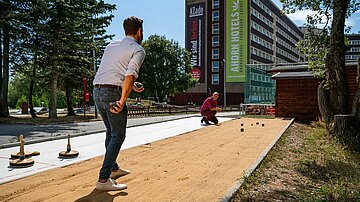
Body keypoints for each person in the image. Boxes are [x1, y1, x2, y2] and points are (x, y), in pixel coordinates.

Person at [93, 16, 145, 191]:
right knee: (118, 136)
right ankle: (103, 179)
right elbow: (129, 75)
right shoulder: (138, 50)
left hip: (97, 91)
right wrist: (122, 100)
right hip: (112, 94)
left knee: (111, 132)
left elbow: (114, 71)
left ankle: (113, 169)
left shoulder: (112, 45)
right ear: (139, 32)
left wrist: (132, 85)